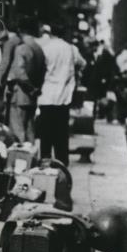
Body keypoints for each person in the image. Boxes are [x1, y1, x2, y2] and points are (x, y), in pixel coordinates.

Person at [37, 22, 86, 165]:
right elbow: (83, 64)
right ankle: (62, 162)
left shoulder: (45, 48)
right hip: (64, 97)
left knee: (45, 132)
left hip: (46, 95)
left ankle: (45, 160)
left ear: (51, 32)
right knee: (61, 133)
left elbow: (39, 67)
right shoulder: (71, 49)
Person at [4, 16, 47, 143]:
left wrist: (30, 88)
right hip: (33, 96)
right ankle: (31, 159)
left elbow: (20, 73)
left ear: (20, 30)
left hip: (20, 94)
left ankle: (20, 159)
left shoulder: (22, 48)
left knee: (18, 131)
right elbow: (43, 71)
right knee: (30, 130)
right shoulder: (38, 48)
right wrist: (36, 89)